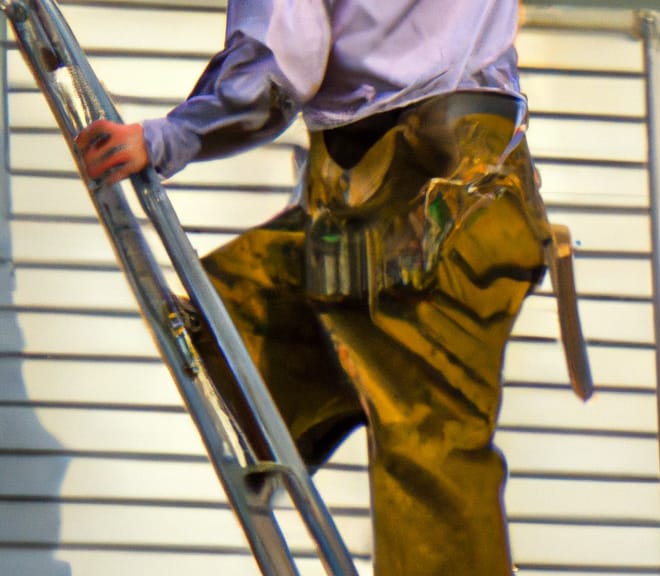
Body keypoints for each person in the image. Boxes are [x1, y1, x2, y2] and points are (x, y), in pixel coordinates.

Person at [75, 2, 553, 574]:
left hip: (426, 198)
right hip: (449, 188)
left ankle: (365, 384)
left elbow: (280, 69)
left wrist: (171, 136)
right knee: (238, 308)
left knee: (430, 455)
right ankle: (351, 382)